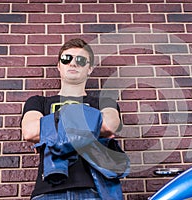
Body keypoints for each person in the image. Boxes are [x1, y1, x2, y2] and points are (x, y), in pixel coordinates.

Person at [21, 38, 128, 200]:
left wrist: (50, 131)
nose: (72, 63)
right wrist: (90, 126)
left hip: (94, 191)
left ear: (89, 68)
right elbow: (30, 132)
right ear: (59, 66)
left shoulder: (104, 102)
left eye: (80, 60)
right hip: (47, 192)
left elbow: (109, 126)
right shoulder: (38, 102)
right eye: (66, 59)